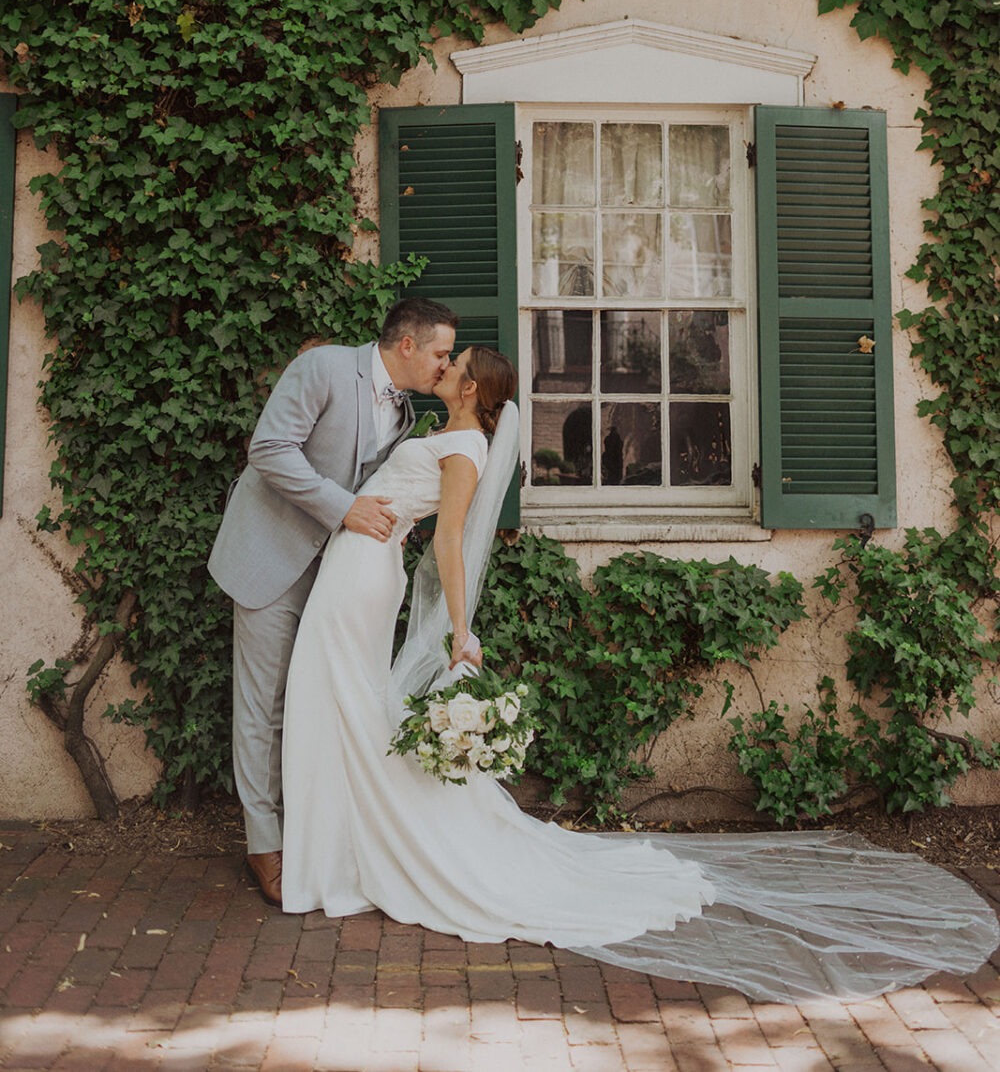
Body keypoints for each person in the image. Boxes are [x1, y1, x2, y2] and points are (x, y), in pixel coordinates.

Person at [279, 347, 999, 1002]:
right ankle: (342, 848)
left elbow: (451, 548)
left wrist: (461, 631)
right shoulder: (448, 434)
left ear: (469, 387)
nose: (440, 365)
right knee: (346, 705)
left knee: (345, 703)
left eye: (452, 362)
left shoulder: (464, 449)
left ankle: (353, 855)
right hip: (360, 564)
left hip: (365, 575)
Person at [208, 296, 458, 906]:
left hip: (334, 576)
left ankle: (316, 836)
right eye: (441, 353)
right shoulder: (322, 369)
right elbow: (268, 451)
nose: (445, 366)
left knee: (318, 705)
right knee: (261, 707)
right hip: (269, 559)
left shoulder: (401, 414)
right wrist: (344, 508)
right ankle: (263, 844)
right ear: (407, 345)